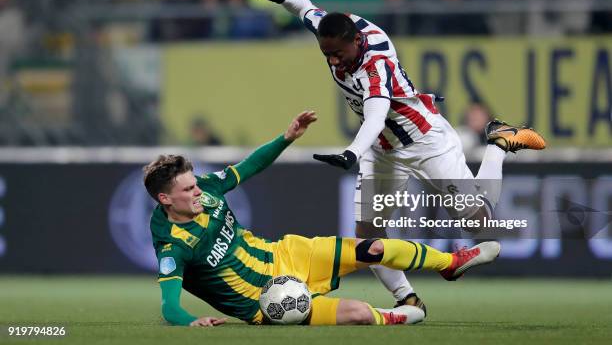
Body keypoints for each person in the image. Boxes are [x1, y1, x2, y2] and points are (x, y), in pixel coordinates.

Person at [256, 0, 545, 315]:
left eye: (338, 54)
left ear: (356, 41)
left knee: (480, 222)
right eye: (326, 53)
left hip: (424, 140)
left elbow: (376, 116)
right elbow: (305, 8)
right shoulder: (333, 31)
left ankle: (498, 143)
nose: (333, 60)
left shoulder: (376, 64)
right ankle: (407, 299)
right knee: (367, 236)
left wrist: (351, 153)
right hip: (383, 150)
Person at [145, 111, 501, 326]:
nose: (196, 193)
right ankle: (401, 313)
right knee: (360, 315)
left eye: (194, 185)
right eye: (187, 190)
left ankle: (452, 262)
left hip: (284, 255)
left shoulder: (206, 190)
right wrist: (193, 322)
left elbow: (249, 167)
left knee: (372, 247)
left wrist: (286, 138)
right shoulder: (173, 246)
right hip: (266, 301)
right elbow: (169, 305)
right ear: (164, 199)